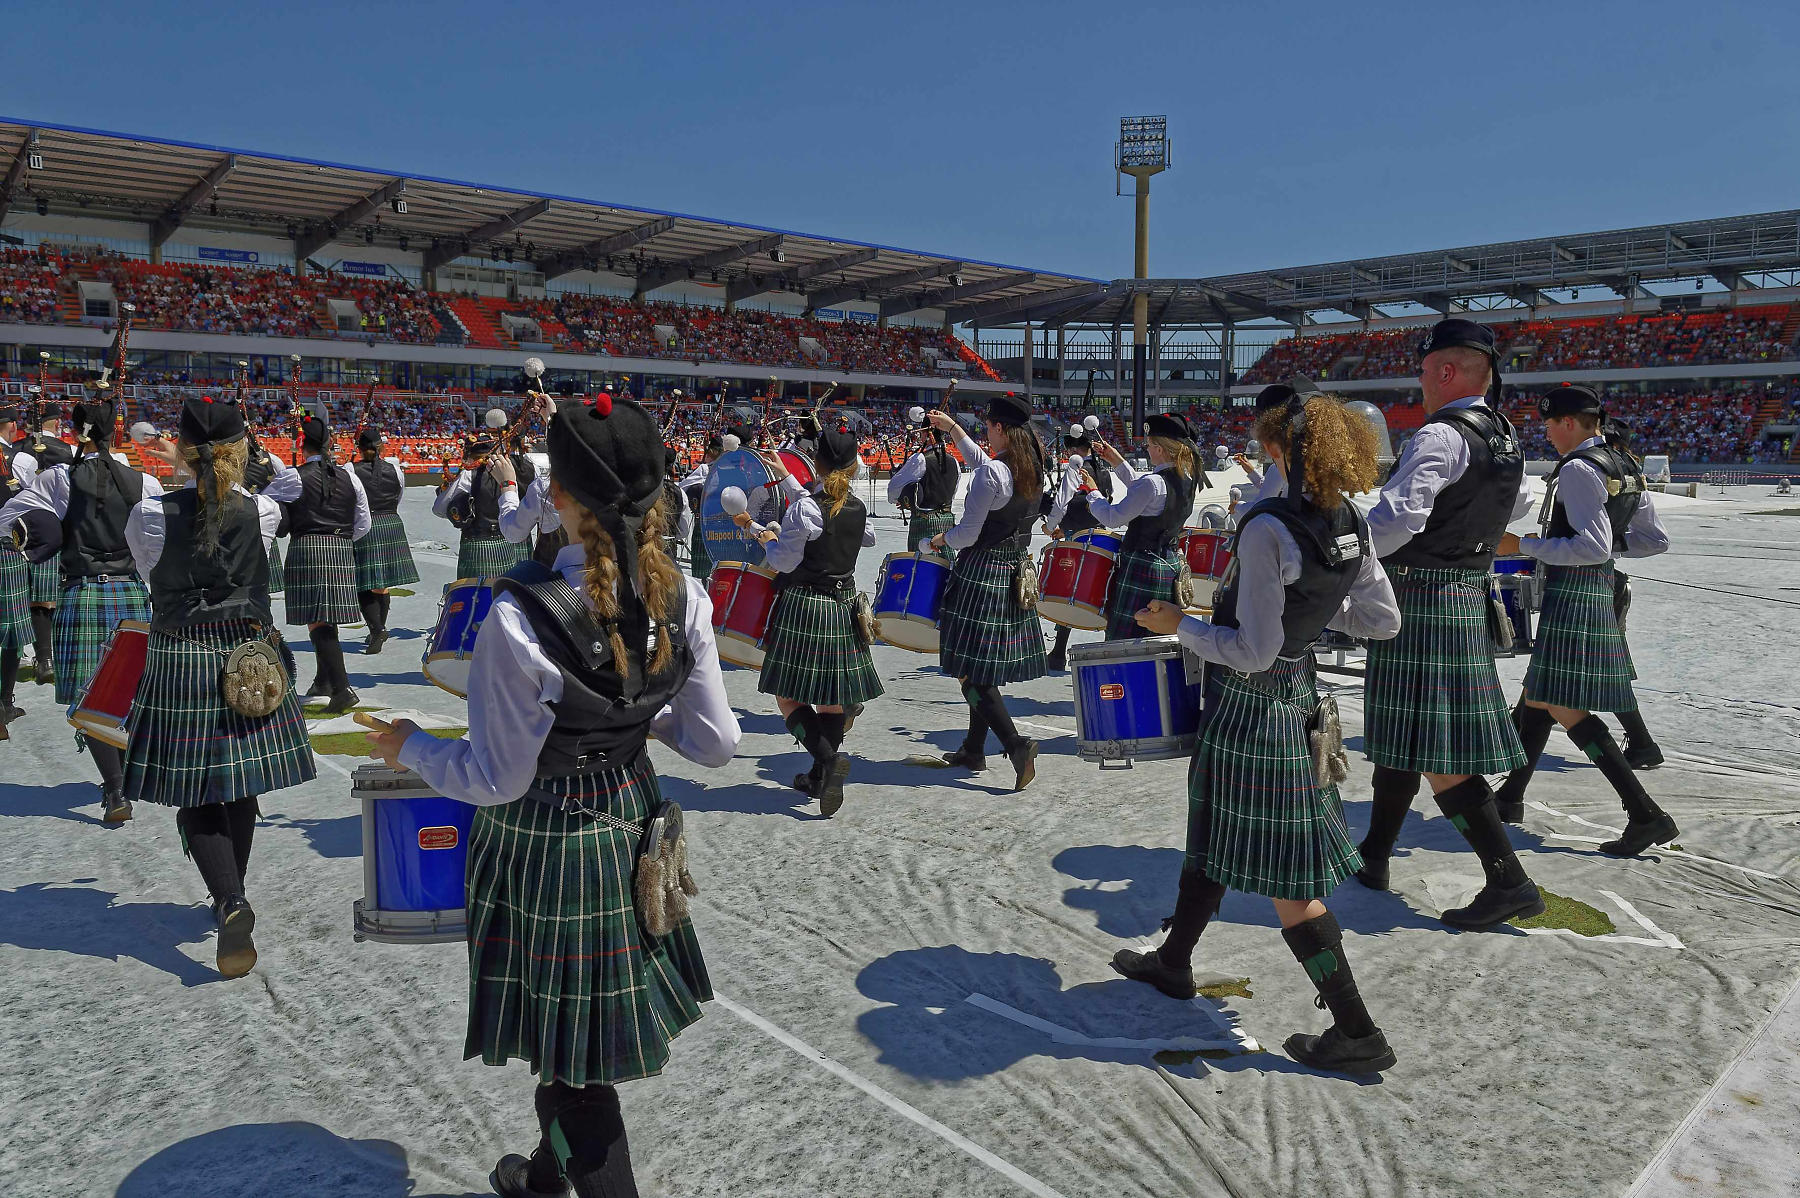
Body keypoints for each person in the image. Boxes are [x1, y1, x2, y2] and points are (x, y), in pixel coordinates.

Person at [364, 391, 739, 1198]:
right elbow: (715, 743)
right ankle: (541, 1177)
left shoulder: (518, 616)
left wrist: (413, 746)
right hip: (633, 825)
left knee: (568, 1072)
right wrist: (635, 707)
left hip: (548, 844)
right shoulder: (689, 597)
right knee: (577, 1046)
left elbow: (497, 779)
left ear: (556, 498)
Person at [1114, 391, 1402, 1074]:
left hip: (1255, 707)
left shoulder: (1269, 527)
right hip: (1298, 699)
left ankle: (1358, 1029)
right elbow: (1381, 620)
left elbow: (1251, 651)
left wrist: (1176, 625)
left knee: (1290, 886)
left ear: (1278, 448)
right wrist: (1315, 622)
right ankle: (1175, 961)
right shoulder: (1351, 521)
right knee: (1212, 835)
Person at [1351, 318, 1543, 930]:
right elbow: (1515, 509)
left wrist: (1346, 550)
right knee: (1409, 734)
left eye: (1424, 373)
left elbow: (1401, 518)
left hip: (1422, 596)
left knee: (1439, 752)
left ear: (1446, 370)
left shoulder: (1440, 435)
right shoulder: (1504, 435)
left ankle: (1509, 880)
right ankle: (1375, 857)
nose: (1422, 385)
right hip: (1461, 593)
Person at [123, 395, 315, 979]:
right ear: (242, 451)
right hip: (246, 654)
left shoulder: (150, 512)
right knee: (240, 781)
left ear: (180, 449)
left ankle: (230, 898)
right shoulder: (260, 510)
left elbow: (147, 572)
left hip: (181, 656)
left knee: (198, 790)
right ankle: (230, 894)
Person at [1491, 385, 1677, 856]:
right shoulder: (1624, 463)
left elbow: (1589, 546)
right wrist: (1605, 550)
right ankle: (1510, 797)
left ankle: (1644, 813)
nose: (1547, 433)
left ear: (1569, 422)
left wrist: (1524, 546)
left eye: (1550, 424)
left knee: (1562, 705)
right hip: (1598, 586)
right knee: (1538, 697)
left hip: (1574, 593)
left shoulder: (1577, 468)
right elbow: (1652, 540)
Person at [0, 397, 162, 821]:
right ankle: (128, 776)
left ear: (74, 432)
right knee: (129, 689)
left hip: (82, 590)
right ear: (118, 433)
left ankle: (115, 789)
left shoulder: (57, 478)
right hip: (131, 591)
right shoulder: (144, 482)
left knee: (93, 697)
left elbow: (9, 518)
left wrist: (38, 533)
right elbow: (156, 548)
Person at [742, 424, 882, 815]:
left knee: (788, 695)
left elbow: (782, 560)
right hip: (842, 607)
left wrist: (766, 537)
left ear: (816, 463)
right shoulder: (857, 509)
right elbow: (846, 523)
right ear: (853, 467)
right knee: (832, 701)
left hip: (804, 606)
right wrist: (787, 479)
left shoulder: (805, 509)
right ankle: (821, 779)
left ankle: (827, 762)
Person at [922, 395, 1046, 790]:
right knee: (983, 669)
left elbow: (968, 534)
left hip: (982, 571)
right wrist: (953, 430)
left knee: (970, 672)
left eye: (988, 427)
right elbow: (985, 464)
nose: (985, 433)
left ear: (1000, 430)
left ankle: (1015, 745)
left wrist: (939, 540)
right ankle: (973, 749)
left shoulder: (993, 473)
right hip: (1014, 569)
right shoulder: (1031, 464)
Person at [1085, 412, 1203, 640]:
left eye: (1149, 445)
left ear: (1159, 449)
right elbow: (1146, 491)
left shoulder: (1153, 483)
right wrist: (1117, 461)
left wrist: (1093, 493)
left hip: (1142, 566)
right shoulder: (1187, 479)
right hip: (1168, 566)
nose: (1146, 449)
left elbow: (1112, 517)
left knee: (1125, 639)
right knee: (1155, 638)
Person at [287, 414, 372, 714]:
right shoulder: (351, 477)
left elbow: (267, 508)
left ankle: (341, 689)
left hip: (308, 548)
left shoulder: (293, 476)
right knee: (327, 618)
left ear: (302, 444)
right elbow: (363, 523)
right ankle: (324, 682)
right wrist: (339, 539)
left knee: (318, 620)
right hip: (341, 547)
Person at [1600, 415, 1663, 770]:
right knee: (1606, 669)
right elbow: (1656, 540)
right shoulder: (1630, 479)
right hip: (1611, 582)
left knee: (1604, 671)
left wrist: (1602, 546)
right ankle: (1641, 743)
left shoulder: (1599, 473)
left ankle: (1642, 743)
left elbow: (1656, 541)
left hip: (1595, 584)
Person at [435, 411, 536, 579]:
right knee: (510, 591)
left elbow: (439, 509)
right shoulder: (527, 466)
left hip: (477, 542)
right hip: (512, 538)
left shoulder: (469, 474)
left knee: (477, 597)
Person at [1042, 426, 1105, 672]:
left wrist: (1052, 523)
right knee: (1099, 589)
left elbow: (1067, 504)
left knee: (1068, 591)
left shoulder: (1077, 469)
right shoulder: (1102, 470)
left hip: (1075, 536)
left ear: (1075, 450)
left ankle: (1058, 653)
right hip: (1098, 535)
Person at [351, 427, 418, 654]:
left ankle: (377, 629)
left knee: (363, 582)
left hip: (366, 523)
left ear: (359, 449)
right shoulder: (396, 469)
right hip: (391, 522)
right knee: (381, 584)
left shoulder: (351, 469)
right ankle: (377, 630)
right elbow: (399, 496)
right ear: (380, 446)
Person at [22, 408, 74, 687]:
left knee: (34, 599)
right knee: (51, 598)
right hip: (61, 528)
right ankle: (51, 660)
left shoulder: (19, 451)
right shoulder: (68, 449)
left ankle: (41, 659)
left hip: (29, 530)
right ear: (56, 422)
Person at [0, 406, 34, 729]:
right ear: (11, 425)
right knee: (9, 632)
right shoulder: (12, 458)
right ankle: (4, 703)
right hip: (6, 549)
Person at [887, 410, 962, 557]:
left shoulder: (920, 459)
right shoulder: (955, 462)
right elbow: (951, 494)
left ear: (926, 434)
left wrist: (904, 499)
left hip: (924, 523)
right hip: (947, 523)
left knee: (920, 569)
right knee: (946, 568)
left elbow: (893, 490)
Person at [677, 431, 735, 581]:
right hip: (729, 524)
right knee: (723, 570)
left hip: (706, 522)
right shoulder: (737, 469)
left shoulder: (705, 469)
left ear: (713, 452)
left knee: (703, 572)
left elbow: (681, 488)